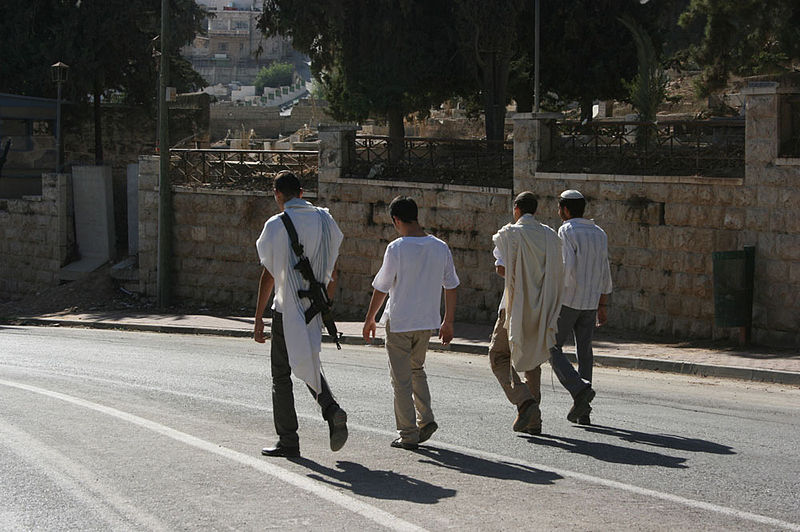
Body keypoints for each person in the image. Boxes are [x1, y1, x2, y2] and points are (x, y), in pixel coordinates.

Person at [254, 171, 348, 458]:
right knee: (305, 357)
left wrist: (258, 316)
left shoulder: (276, 225)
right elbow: (333, 269)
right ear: (302, 193)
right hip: (315, 307)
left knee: (281, 375)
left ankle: (288, 440)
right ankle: (330, 408)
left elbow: (269, 274)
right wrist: (326, 304)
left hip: (287, 309)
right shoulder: (325, 219)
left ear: (277, 195)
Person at [362, 196, 459, 450]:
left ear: (396, 220)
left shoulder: (397, 248)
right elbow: (451, 285)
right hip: (426, 322)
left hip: (401, 321)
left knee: (401, 379)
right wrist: (447, 322)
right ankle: (425, 420)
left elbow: (381, 286)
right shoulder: (440, 247)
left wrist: (370, 318)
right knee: (417, 370)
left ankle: (408, 432)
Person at [489, 191, 564, 435]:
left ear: (516, 209)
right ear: (536, 210)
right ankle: (534, 421)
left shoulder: (510, 234)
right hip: (542, 306)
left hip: (514, 306)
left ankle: (525, 402)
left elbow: (501, 268)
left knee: (498, 355)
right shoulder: (550, 236)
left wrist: (519, 278)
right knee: (532, 358)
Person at [549, 189, 613, 426]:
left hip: (569, 301)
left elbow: (566, 268)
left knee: (551, 346)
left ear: (565, 210)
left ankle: (578, 389)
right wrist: (602, 304)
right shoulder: (599, 233)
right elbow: (605, 269)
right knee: (584, 352)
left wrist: (555, 297)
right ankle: (583, 409)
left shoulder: (566, 230)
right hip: (591, 302)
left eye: (559, 208)